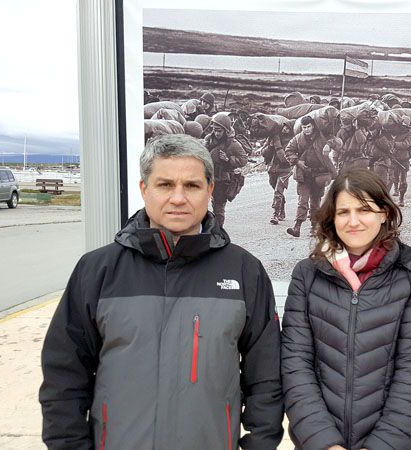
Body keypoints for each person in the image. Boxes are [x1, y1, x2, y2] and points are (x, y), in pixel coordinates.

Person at [39, 134, 284, 449]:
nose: (179, 198)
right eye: (165, 185)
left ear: (210, 190)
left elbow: (266, 377)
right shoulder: (97, 270)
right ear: (145, 189)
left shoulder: (244, 271)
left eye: (192, 186)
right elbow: (64, 376)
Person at [282, 168, 411, 450]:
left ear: (384, 213)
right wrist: (323, 442)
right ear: (332, 217)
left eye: (364, 209)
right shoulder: (307, 274)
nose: (353, 221)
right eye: (343, 212)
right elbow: (295, 363)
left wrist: (383, 444)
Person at [285, 115, 337, 237]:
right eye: (304, 127)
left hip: (320, 175)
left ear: (313, 126)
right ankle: (297, 227)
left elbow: (337, 141)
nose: (307, 129)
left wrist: (329, 144)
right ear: (301, 128)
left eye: (309, 127)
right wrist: (297, 161)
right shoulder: (297, 139)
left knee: (315, 202)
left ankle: (314, 227)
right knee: (302, 201)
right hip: (304, 174)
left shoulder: (322, 136)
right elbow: (288, 151)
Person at [204, 111, 248, 227]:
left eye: (219, 130)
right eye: (215, 130)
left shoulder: (233, 144)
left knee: (218, 209)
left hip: (222, 180)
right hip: (207, 177)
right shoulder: (209, 139)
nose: (216, 133)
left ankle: (218, 232)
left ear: (226, 131)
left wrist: (228, 159)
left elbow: (243, 160)